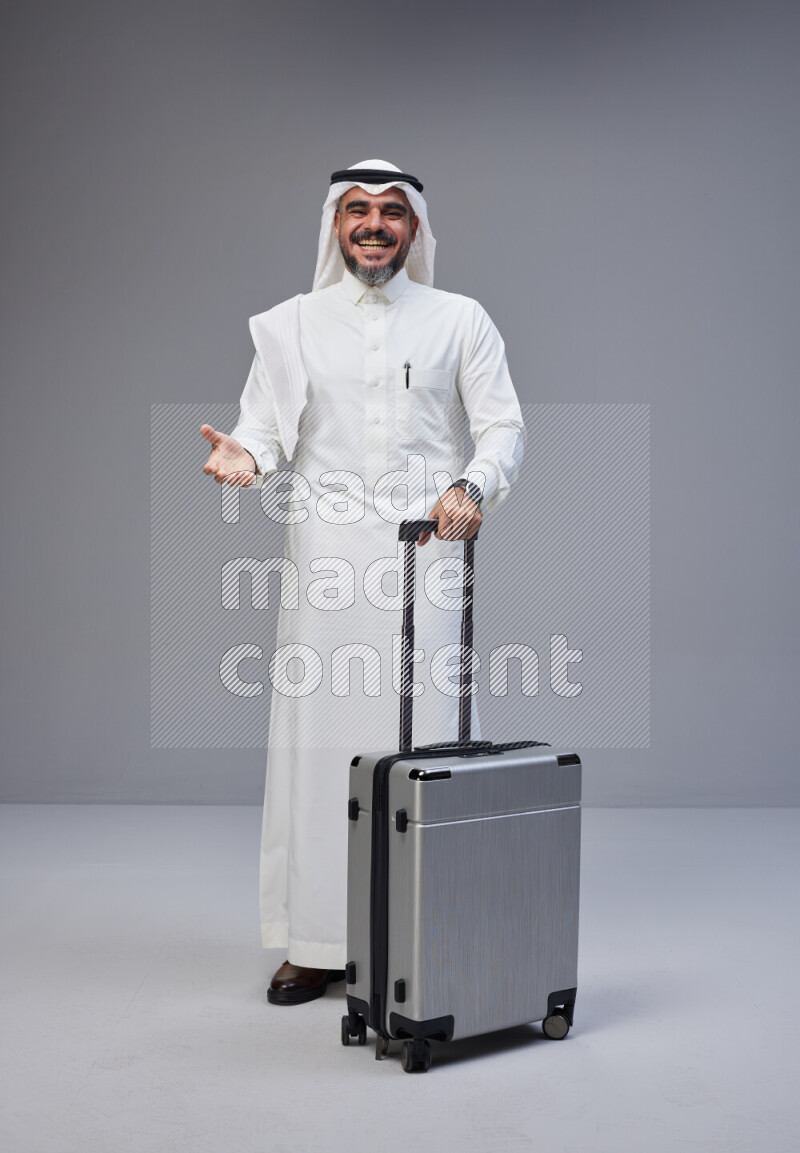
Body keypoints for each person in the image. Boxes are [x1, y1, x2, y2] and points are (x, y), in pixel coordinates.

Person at [200, 159, 525, 1004]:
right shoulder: (289, 325)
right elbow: (262, 429)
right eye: (356, 210)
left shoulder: (461, 319)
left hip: (429, 551)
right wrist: (245, 455)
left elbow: (501, 427)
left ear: (414, 228)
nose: (373, 224)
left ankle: (436, 923)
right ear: (333, 226)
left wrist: (474, 486)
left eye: (390, 211)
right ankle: (316, 941)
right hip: (327, 558)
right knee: (322, 746)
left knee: (432, 742)